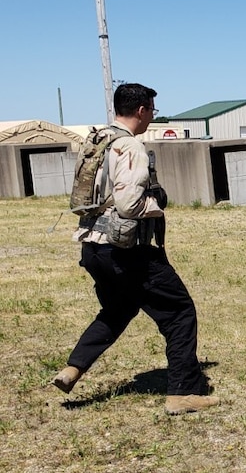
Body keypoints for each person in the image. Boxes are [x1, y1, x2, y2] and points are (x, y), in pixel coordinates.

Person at [53, 83, 219, 415]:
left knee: (117, 310)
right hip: (127, 251)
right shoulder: (130, 147)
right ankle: (183, 393)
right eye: (152, 111)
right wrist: (156, 204)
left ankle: (73, 368)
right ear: (142, 110)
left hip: (92, 247)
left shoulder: (97, 141)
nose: (151, 117)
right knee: (179, 312)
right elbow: (129, 205)